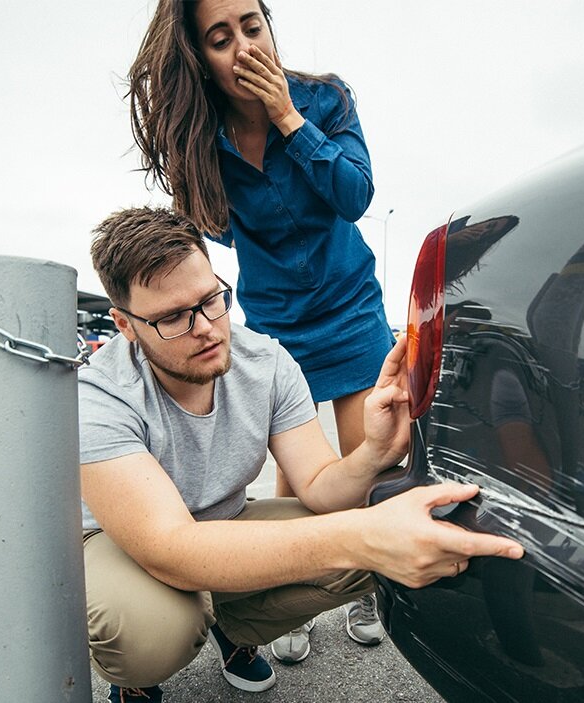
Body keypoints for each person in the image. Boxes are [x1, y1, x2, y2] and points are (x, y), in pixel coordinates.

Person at [80, 206, 524, 702]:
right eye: (172, 318)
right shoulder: (98, 394)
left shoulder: (264, 359)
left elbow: (318, 487)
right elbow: (169, 548)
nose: (206, 327)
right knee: (151, 632)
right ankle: (138, 680)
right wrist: (362, 537)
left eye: (211, 300)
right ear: (124, 324)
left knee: (367, 540)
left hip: (222, 523)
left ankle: (235, 632)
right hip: (126, 546)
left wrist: (375, 451)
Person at [128, 0, 394, 659]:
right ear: (202, 60)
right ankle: (293, 592)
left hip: (350, 305)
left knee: (364, 463)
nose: (245, 46)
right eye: (221, 38)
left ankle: (363, 588)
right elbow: (214, 226)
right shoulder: (201, 139)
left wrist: (287, 119)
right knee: (297, 476)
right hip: (276, 322)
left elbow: (354, 195)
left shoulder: (325, 98)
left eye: (252, 24)